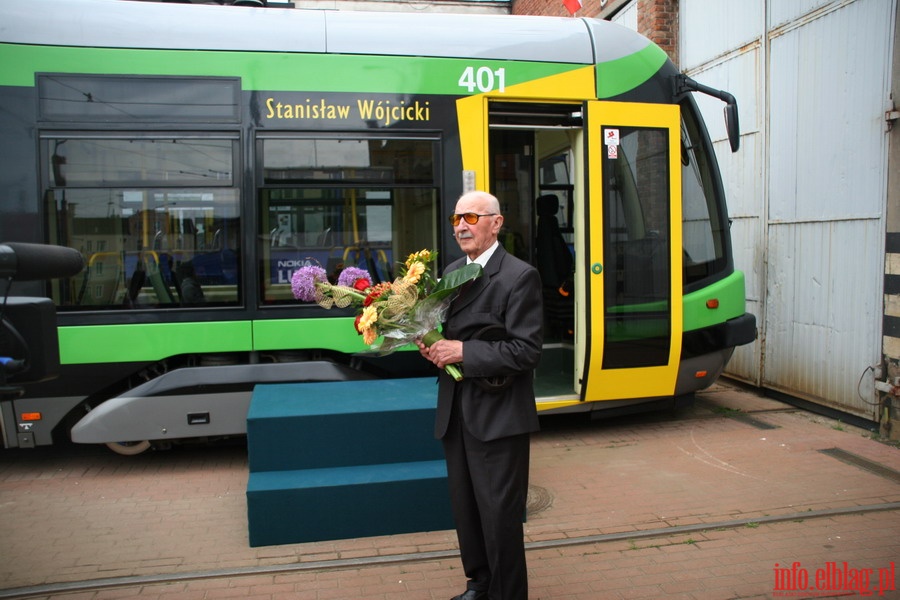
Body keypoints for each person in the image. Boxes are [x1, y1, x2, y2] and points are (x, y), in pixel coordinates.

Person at [416, 191, 543, 600]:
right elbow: (446, 336)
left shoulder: (519, 276)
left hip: (499, 418)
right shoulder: (452, 272)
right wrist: (432, 346)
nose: (460, 226)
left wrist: (464, 351)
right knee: (467, 511)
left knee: (500, 516)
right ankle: (480, 583)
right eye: (456, 218)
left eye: (471, 216)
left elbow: (526, 350)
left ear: (496, 222)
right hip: (455, 413)